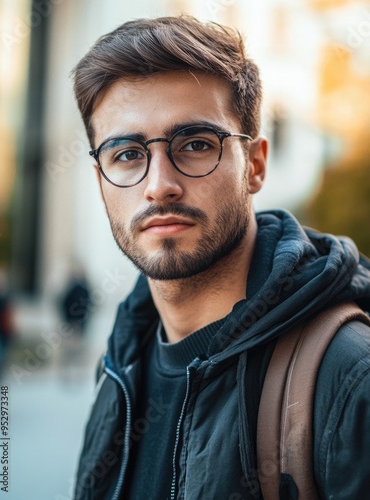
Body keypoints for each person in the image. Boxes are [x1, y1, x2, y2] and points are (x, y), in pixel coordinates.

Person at [71, 16, 370, 499]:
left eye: (194, 145)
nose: (158, 185)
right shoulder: (119, 366)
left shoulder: (350, 379)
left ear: (254, 165)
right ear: (100, 179)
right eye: (126, 154)